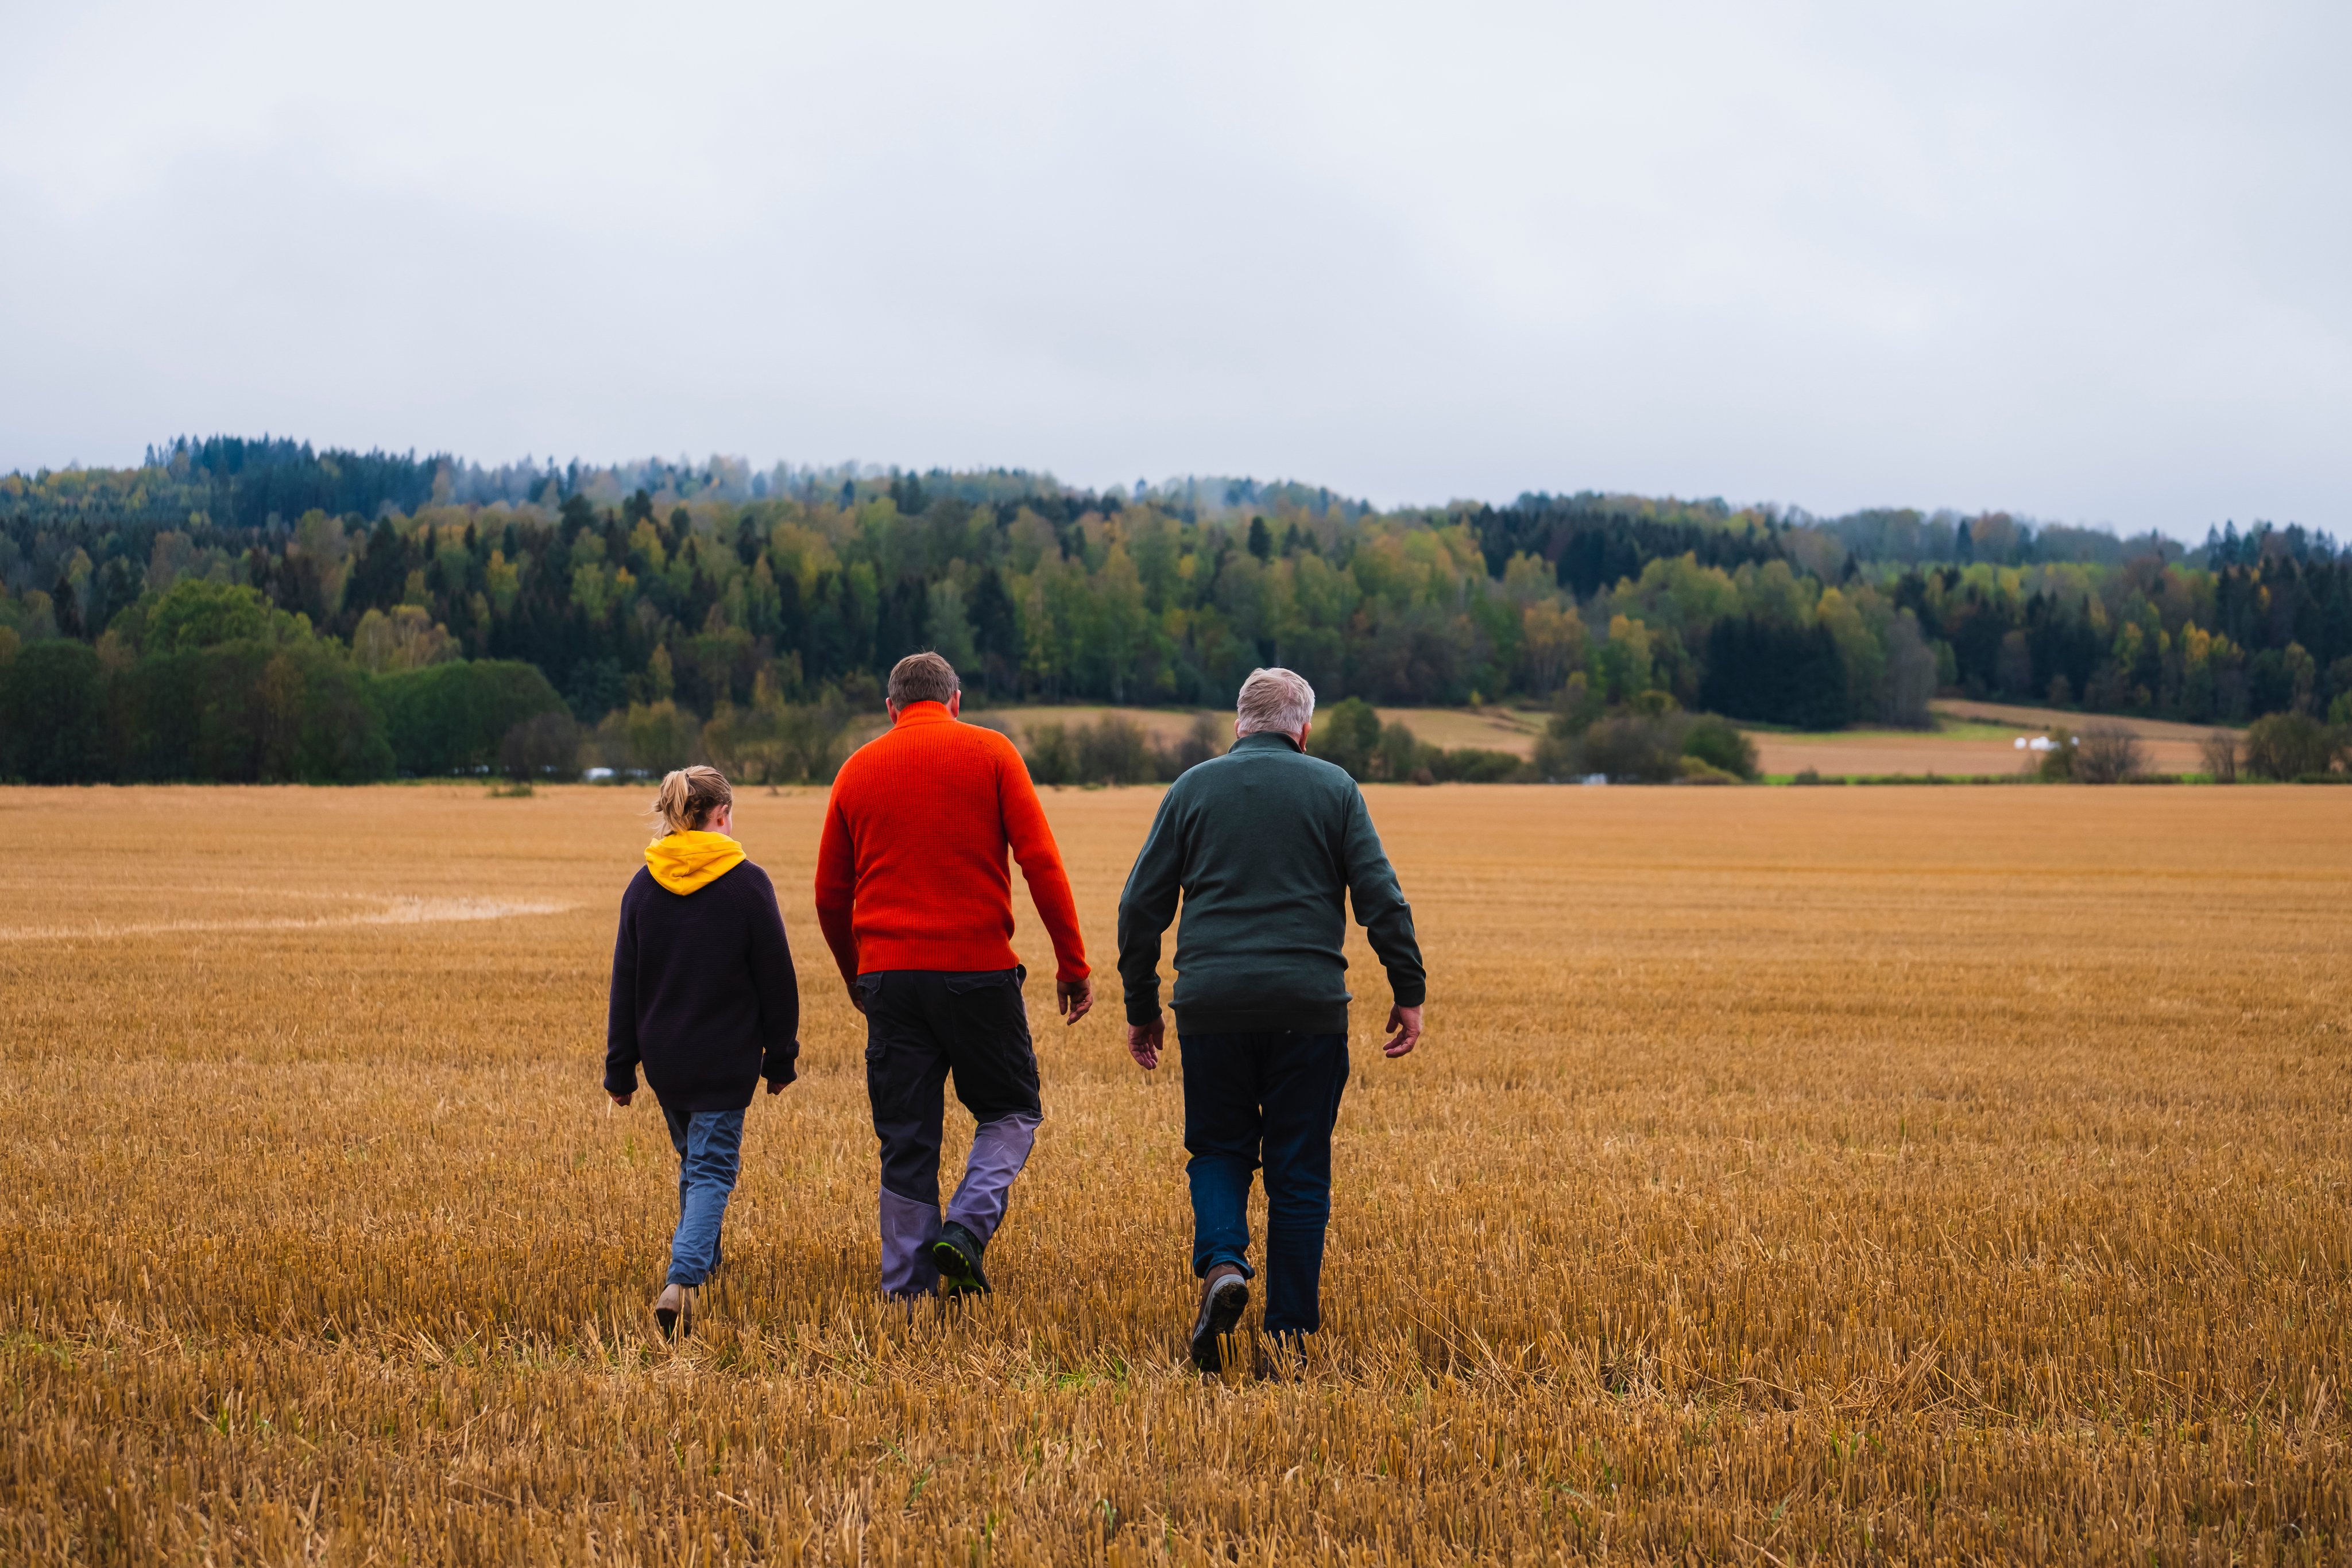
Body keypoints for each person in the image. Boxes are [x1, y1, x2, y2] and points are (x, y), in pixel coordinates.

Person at [1116, 667, 1425, 1373]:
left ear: (1239, 725)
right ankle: (1288, 1335)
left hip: (1211, 1007)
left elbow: (1141, 908)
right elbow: (1383, 900)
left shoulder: (1192, 789)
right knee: (1299, 1170)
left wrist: (1142, 1006)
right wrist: (1407, 988)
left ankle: (1224, 1262)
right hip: (1307, 1010)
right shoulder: (1335, 789)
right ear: (1303, 729)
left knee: (1219, 1149)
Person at [815, 652, 1092, 1300]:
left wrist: (857, 974)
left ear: (892, 709)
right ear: (956, 700)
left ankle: (908, 1295)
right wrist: (1072, 963)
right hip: (978, 972)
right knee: (1011, 1108)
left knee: (906, 1137)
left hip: (889, 977)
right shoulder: (992, 753)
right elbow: (1041, 863)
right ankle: (965, 1227)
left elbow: (831, 895)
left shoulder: (856, 769)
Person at [605, 765, 799, 1338]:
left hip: (666, 1061)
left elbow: (625, 982)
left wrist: (621, 1067)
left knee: (696, 1162)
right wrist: (781, 1058)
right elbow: (777, 980)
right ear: (720, 816)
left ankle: (705, 1264)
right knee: (713, 1169)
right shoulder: (746, 883)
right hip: (725, 1060)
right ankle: (682, 1282)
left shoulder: (643, 886)